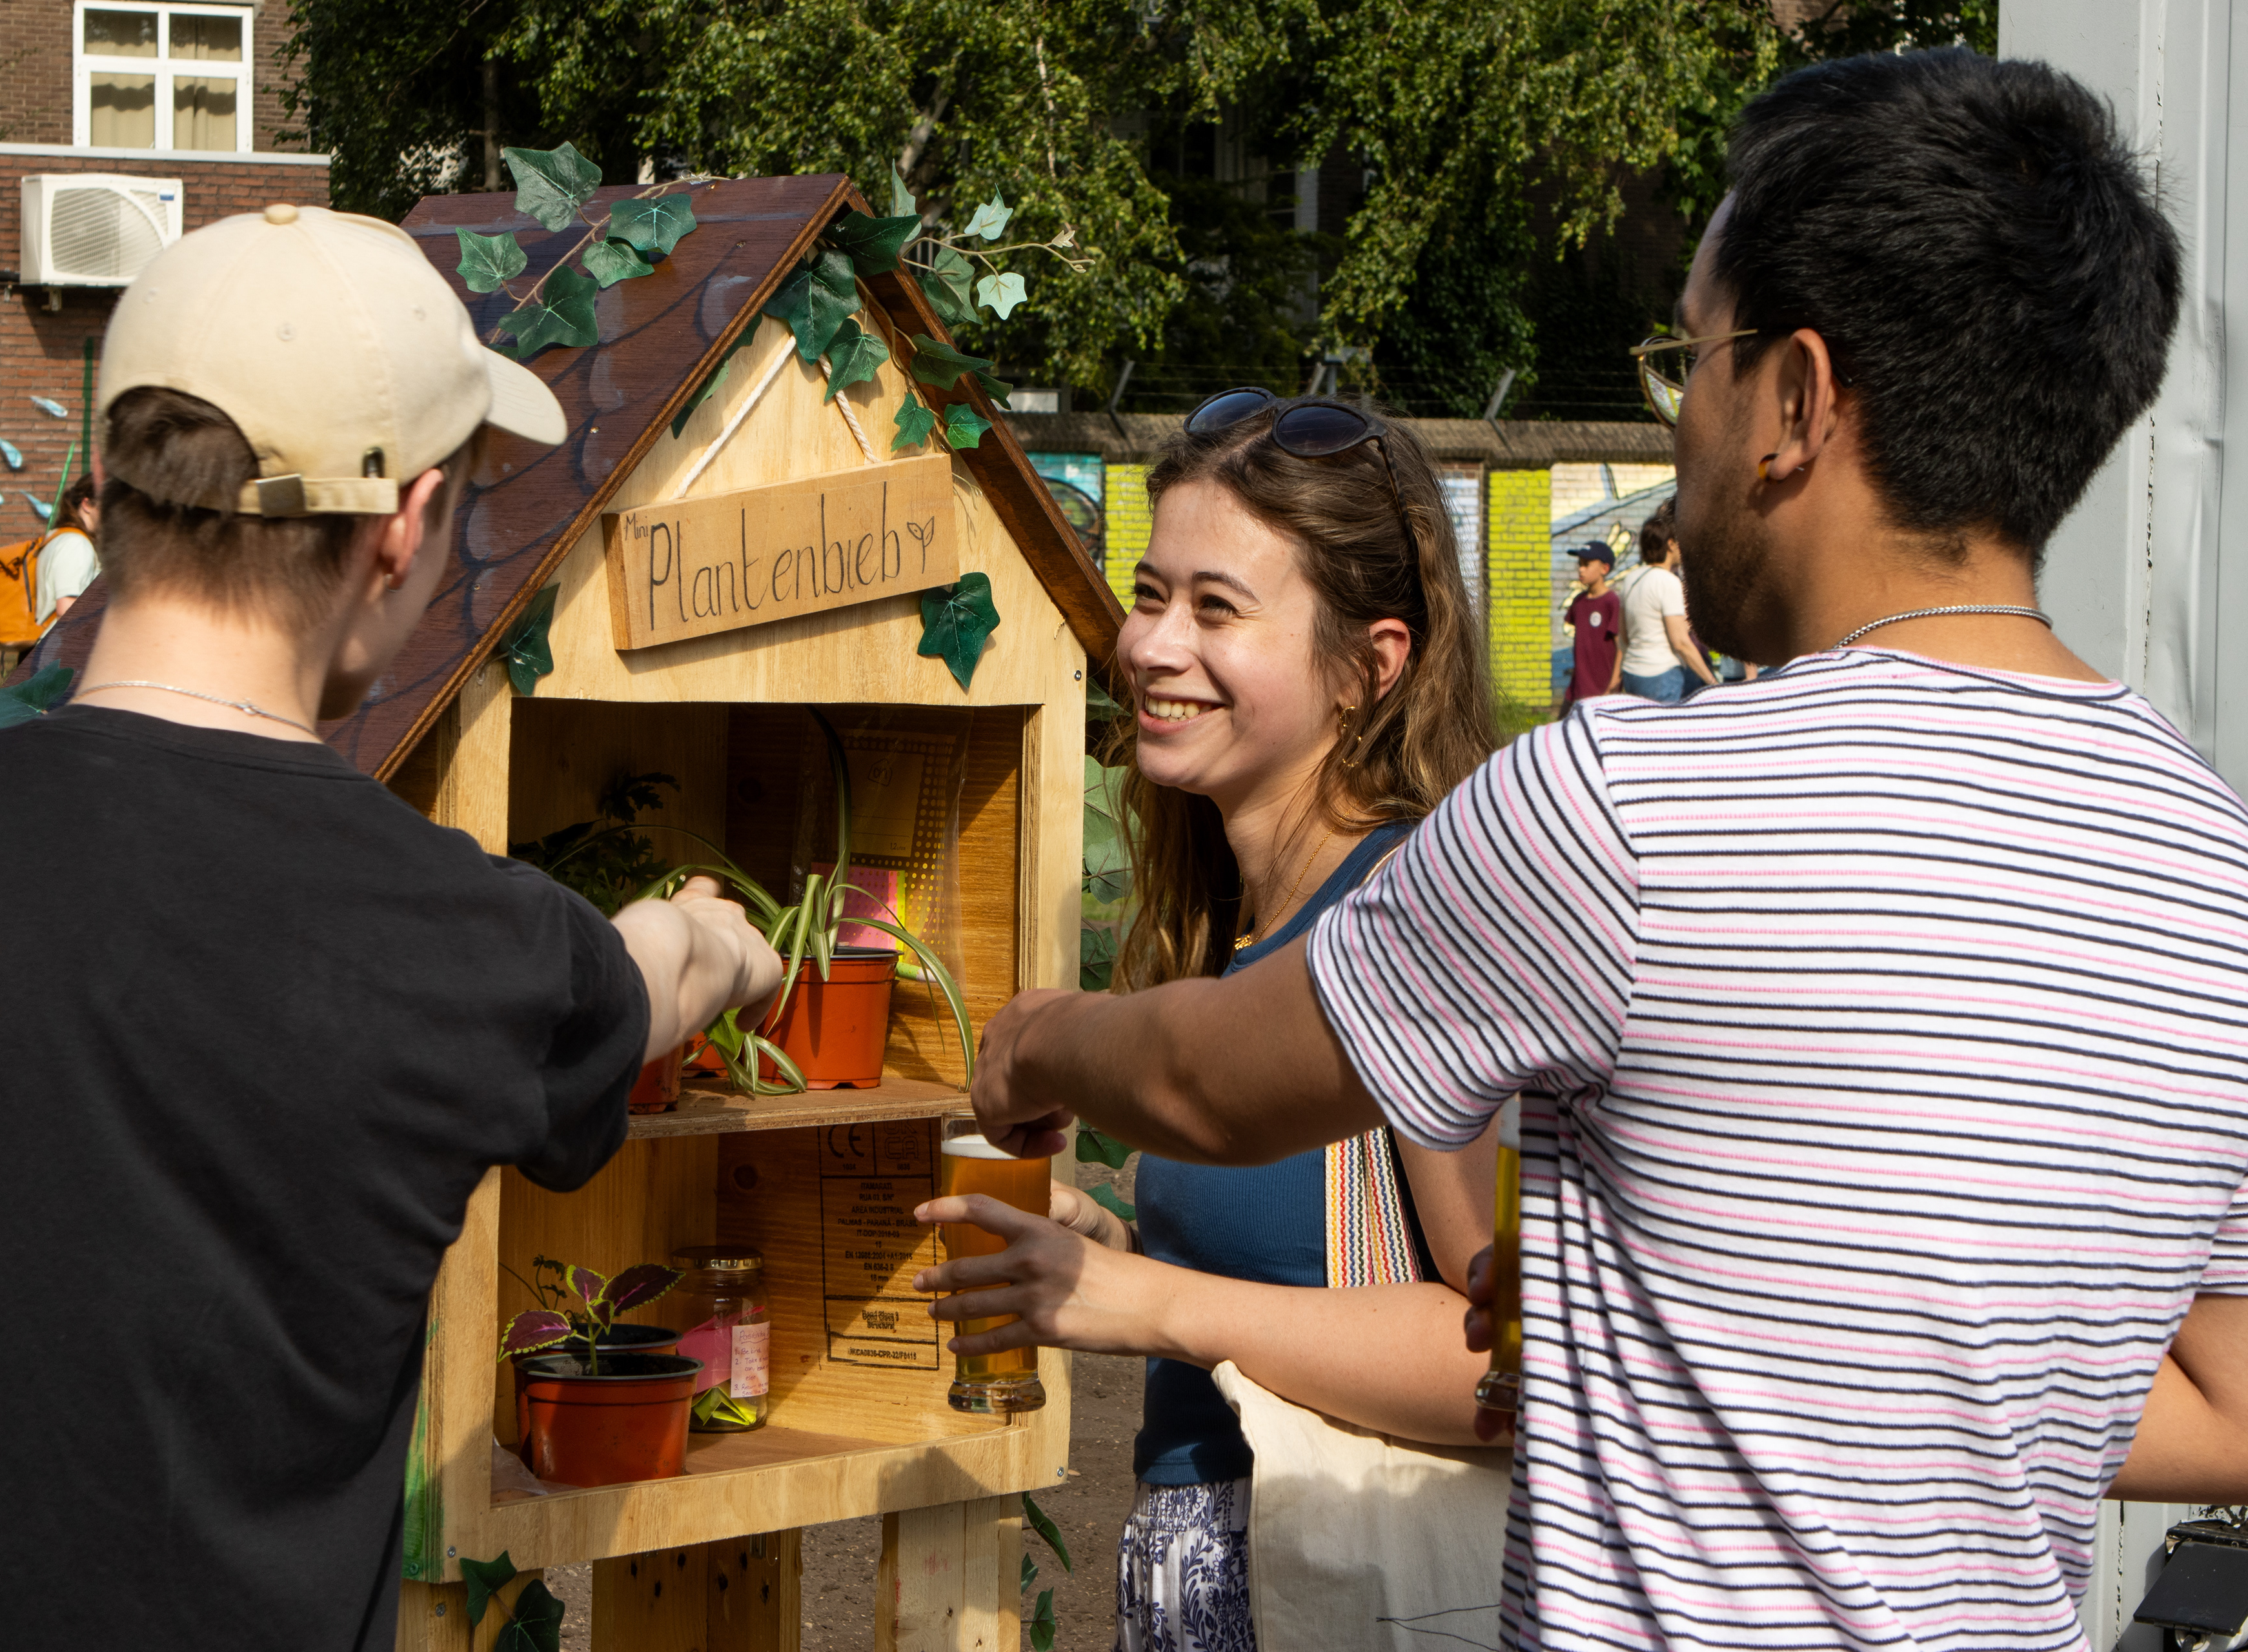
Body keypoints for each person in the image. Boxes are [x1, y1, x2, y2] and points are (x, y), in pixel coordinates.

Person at [955, 48, 2248, 1652]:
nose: (1677, 423)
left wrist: (1040, 1041)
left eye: (1685, 360)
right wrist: (1683, 1343)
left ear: (1793, 401)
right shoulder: (2212, 861)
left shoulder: (1626, 803)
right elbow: (2223, 1405)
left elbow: (1215, 1081)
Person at [0, 205, 785, 1646]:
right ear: (404, 528)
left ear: (103, 490)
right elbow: (652, 976)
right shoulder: (468, 940)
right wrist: (728, 941)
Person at [913, 389, 1501, 1651]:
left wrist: (1145, 1299)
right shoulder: (1233, 929)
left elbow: (1500, 1358)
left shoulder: (1409, 918)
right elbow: (1297, 1273)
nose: (1153, 645)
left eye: (1217, 608)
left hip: (1338, 1587)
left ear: (1372, 665)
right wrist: (1108, 1239)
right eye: (1149, 594)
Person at [1612, 497, 1716, 700]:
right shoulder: (1668, 582)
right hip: (1661, 675)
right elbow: (1681, 643)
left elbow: (1624, 636)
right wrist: (1712, 682)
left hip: (1633, 673)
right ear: (1670, 544)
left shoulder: (1631, 579)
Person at [34, 472, 100, 631]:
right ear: (87, 505)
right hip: (62, 645)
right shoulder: (76, 544)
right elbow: (67, 611)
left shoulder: (58, 537)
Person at [1559, 541, 1621, 709]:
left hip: (1603, 692)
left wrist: (1613, 684)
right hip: (1577, 690)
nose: (1581, 569)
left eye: (1587, 565)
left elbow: (1621, 647)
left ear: (1604, 569)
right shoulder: (1579, 602)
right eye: (1580, 564)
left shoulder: (1612, 602)